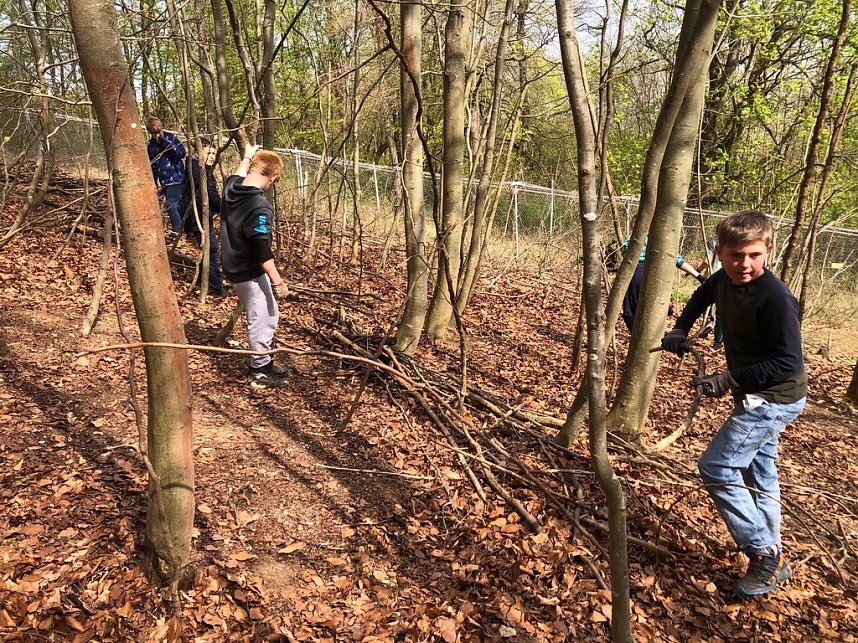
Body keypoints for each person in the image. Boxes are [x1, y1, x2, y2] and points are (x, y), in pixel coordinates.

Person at [661, 210, 807, 597]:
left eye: (754, 255)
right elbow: (702, 293)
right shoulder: (722, 280)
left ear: (768, 251)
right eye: (735, 256)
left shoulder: (776, 298)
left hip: (774, 399)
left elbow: (788, 362)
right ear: (720, 253)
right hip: (756, 395)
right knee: (759, 473)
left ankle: (762, 554)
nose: (745, 264)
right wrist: (680, 327)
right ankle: (772, 550)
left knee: (718, 465)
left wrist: (728, 379)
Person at [220, 144, 289, 385]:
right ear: (274, 178)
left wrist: (248, 153)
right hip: (247, 270)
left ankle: (264, 362)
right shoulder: (260, 207)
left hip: (232, 263)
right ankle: (259, 369)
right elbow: (261, 249)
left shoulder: (232, 188)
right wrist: (278, 281)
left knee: (267, 313)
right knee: (263, 315)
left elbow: (240, 173)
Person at [621, 236, 706, 331]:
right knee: (652, 315)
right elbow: (678, 260)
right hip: (650, 277)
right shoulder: (658, 240)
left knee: (631, 314)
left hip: (633, 277)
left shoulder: (631, 239)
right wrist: (699, 277)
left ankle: (638, 340)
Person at [180, 137, 225, 296]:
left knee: (208, 248)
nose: (212, 156)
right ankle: (216, 287)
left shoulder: (199, 168)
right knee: (211, 249)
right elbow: (210, 194)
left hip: (201, 215)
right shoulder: (197, 169)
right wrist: (223, 207)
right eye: (208, 152)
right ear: (197, 152)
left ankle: (202, 281)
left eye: (214, 153)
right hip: (198, 216)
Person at [146, 117, 187, 233]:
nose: (156, 136)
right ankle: (183, 230)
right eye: (153, 134)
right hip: (164, 180)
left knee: (171, 205)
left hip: (176, 177)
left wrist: (165, 142)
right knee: (176, 206)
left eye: (158, 132)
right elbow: (153, 164)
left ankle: (177, 231)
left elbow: (180, 153)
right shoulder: (151, 146)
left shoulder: (171, 138)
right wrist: (153, 181)